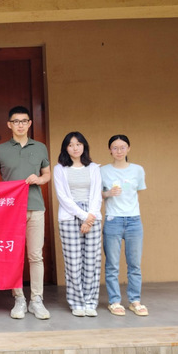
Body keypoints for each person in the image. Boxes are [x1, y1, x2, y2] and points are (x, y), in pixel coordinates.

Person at [0, 106, 52, 320]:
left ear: (29, 124)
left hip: (35, 207)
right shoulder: (0, 150)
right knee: (14, 256)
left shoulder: (40, 147)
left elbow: (47, 174)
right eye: (16, 121)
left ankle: (37, 300)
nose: (20, 125)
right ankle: (19, 299)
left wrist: (39, 179)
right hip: (11, 211)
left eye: (24, 121)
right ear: (9, 124)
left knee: (35, 255)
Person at [53, 132, 102, 317]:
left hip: (92, 215)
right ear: (66, 148)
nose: (75, 148)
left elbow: (96, 195)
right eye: (71, 145)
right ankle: (77, 302)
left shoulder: (94, 168)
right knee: (73, 263)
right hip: (70, 216)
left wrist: (90, 218)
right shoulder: (60, 169)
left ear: (84, 146)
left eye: (79, 144)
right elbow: (63, 197)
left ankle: (90, 302)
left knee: (91, 262)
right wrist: (83, 217)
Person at [101, 135, 148, 316]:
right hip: (113, 220)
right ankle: (114, 301)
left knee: (134, 264)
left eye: (122, 147)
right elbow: (97, 194)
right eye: (115, 147)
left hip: (134, 220)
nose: (119, 151)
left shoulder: (138, 170)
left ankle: (135, 301)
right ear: (110, 150)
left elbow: (137, 193)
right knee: (112, 264)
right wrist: (108, 194)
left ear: (128, 148)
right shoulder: (103, 171)